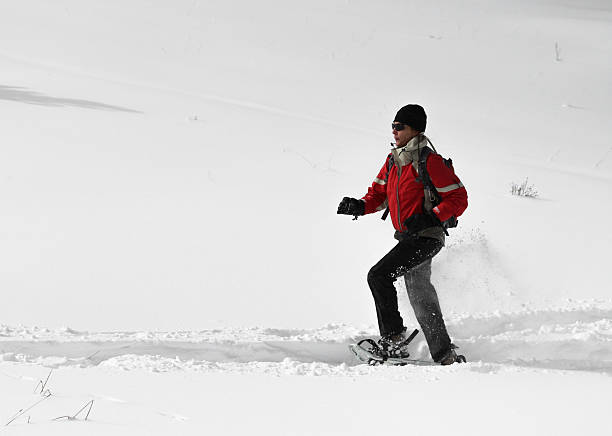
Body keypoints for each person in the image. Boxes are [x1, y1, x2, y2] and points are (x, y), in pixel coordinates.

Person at [337, 104, 468, 365]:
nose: (394, 131)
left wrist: (432, 216)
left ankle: (393, 341)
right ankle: (445, 354)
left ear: (415, 129)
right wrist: (360, 206)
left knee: (379, 275)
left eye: (400, 126)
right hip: (408, 237)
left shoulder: (428, 161)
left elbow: (458, 197)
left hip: (428, 236)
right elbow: (378, 195)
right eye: (393, 126)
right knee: (419, 292)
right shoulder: (394, 160)